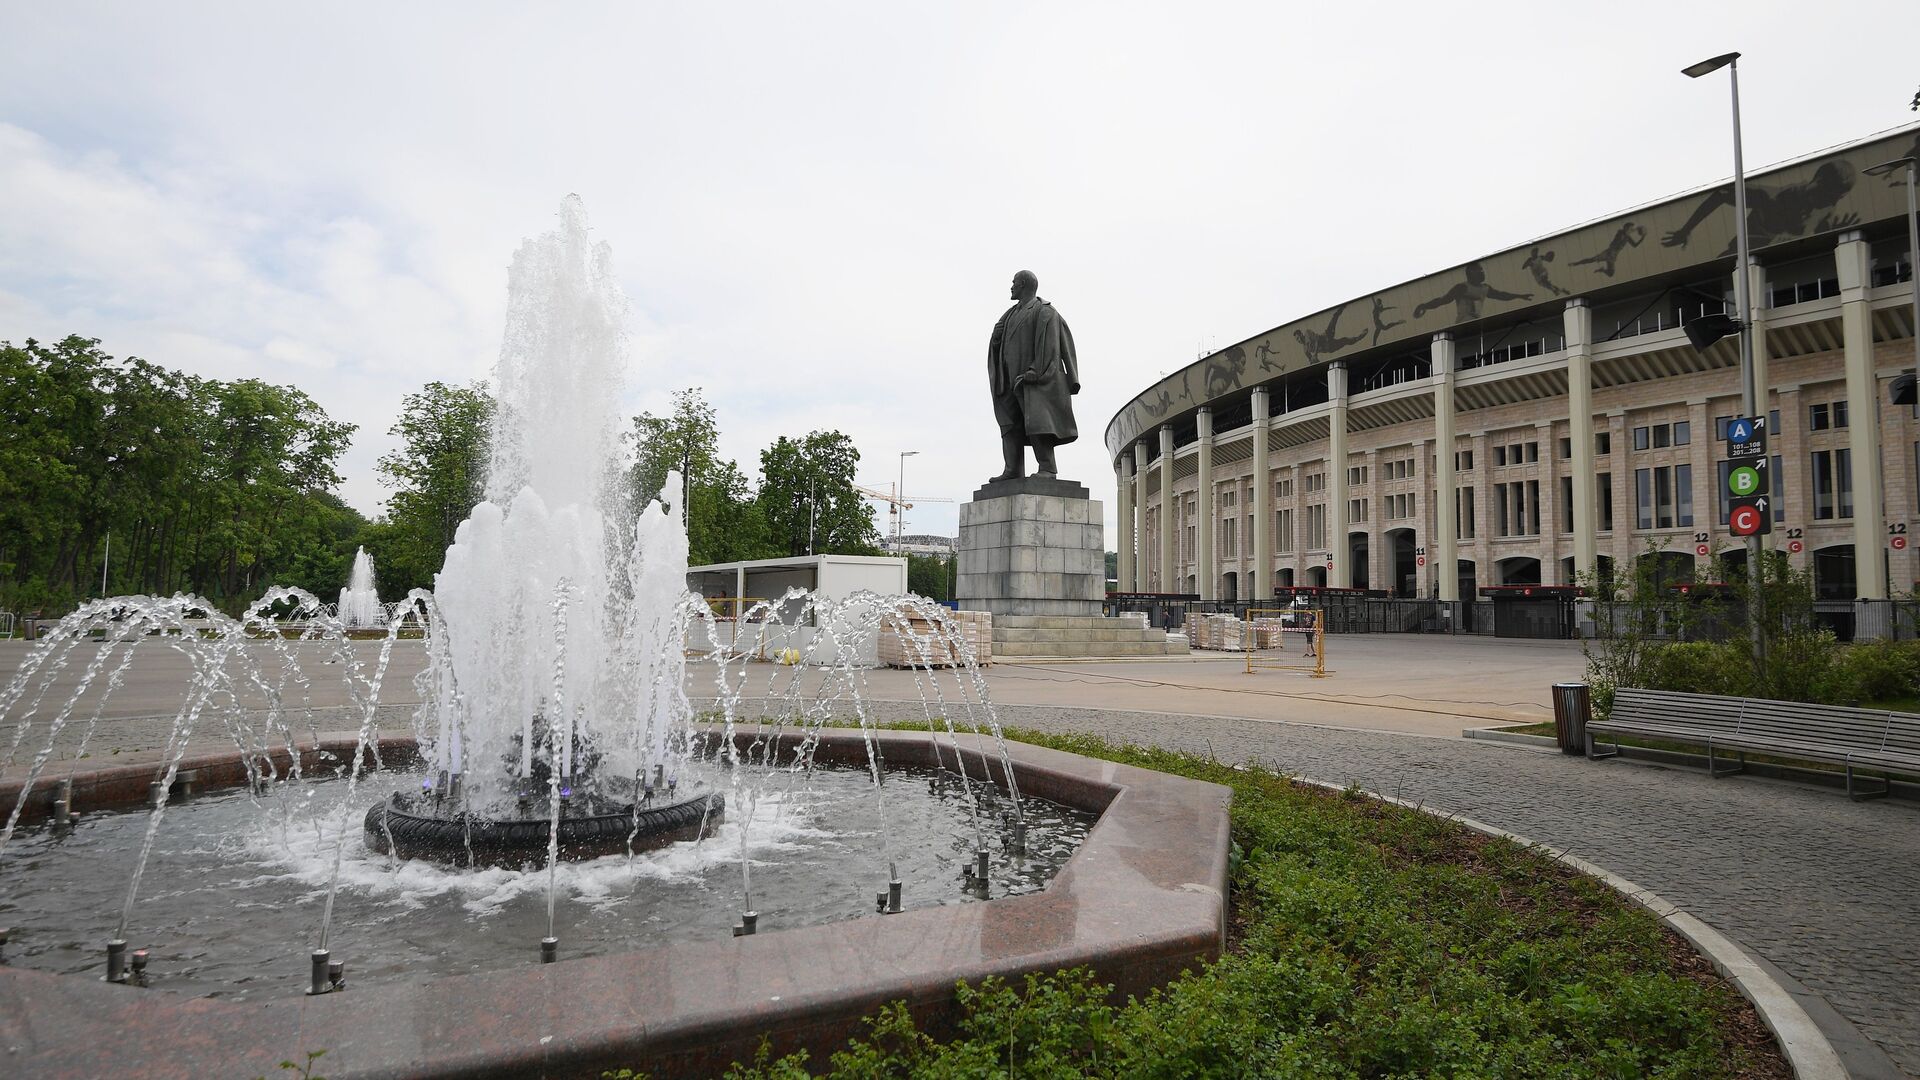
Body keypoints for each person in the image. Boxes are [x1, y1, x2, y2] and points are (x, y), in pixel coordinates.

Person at [987, 270, 1079, 481]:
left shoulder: (1044, 311)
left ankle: (1047, 468)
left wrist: (1035, 371)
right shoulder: (1010, 313)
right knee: (1009, 424)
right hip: (1008, 380)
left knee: (1038, 423)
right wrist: (996, 339)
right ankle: (1012, 469)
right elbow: (1000, 343)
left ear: (1024, 284)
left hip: (1033, 380)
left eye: (1014, 283)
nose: (1011, 287)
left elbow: (1050, 346)